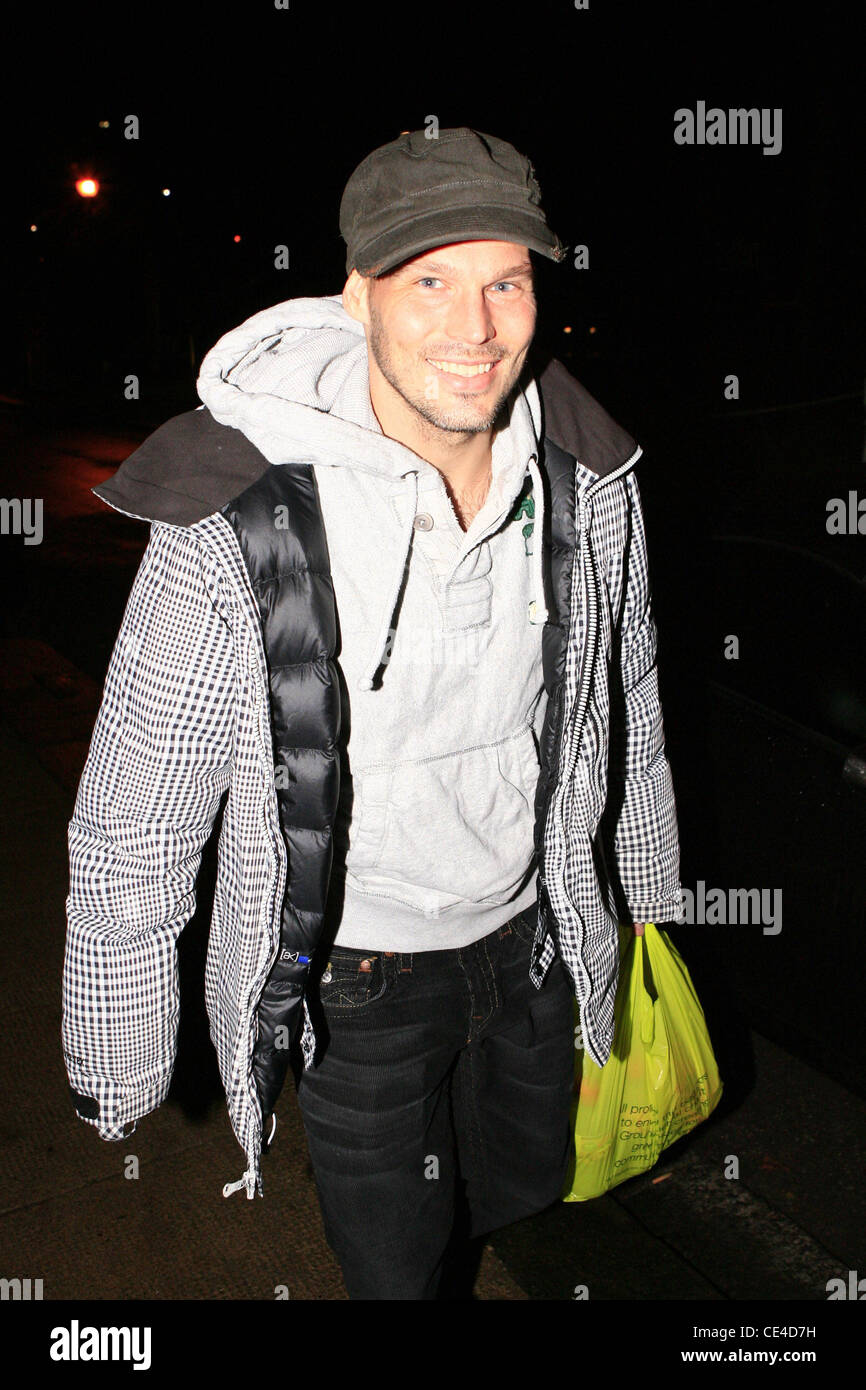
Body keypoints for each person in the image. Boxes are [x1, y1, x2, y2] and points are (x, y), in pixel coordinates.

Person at [62, 127, 682, 1300]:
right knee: (398, 1269)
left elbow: (625, 692)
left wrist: (642, 895)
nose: (475, 328)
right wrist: (118, 1058)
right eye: (430, 281)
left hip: (530, 940)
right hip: (359, 979)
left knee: (515, 1191)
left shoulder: (588, 473)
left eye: (505, 281)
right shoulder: (233, 509)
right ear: (357, 296)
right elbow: (138, 813)